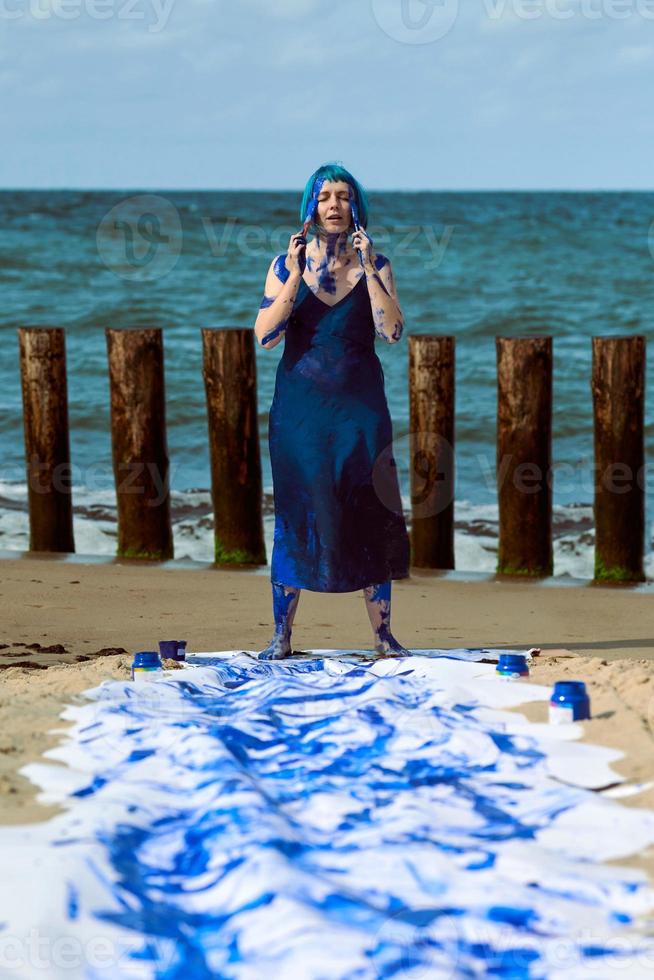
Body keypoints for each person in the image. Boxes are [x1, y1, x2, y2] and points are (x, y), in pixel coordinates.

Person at [253, 163, 411, 660]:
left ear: (355, 207)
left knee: (370, 511)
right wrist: (296, 279)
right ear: (311, 207)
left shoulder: (377, 265)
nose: (335, 205)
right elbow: (265, 335)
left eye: (344, 197)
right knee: (297, 513)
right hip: (299, 415)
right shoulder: (284, 266)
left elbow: (391, 332)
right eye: (325, 197)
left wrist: (367, 271)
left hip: (361, 413)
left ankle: (383, 636)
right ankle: (282, 635)